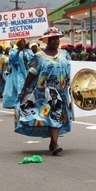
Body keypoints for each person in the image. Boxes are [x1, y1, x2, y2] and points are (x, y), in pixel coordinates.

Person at [15, 27, 72, 155]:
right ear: (46, 40)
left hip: (62, 90)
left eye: (57, 38)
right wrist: (24, 90)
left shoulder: (65, 54)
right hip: (45, 91)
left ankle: (53, 142)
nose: (56, 41)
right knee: (53, 112)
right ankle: (55, 143)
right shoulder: (39, 57)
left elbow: (72, 70)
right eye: (52, 39)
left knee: (58, 113)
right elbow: (32, 73)